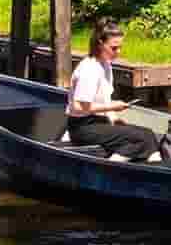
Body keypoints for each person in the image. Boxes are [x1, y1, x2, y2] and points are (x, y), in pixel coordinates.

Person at [67, 20, 160, 162]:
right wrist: (112, 107)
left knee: (149, 134)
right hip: (82, 128)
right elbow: (78, 106)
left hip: (99, 122)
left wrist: (113, 117)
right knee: (141, 139)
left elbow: (103, 99)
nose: (118, 52)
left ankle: (158, 167)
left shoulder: (106, 65)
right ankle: (109, 167)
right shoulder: (89, 69)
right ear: (100, 43)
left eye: (120, 47)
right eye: (114, 48)